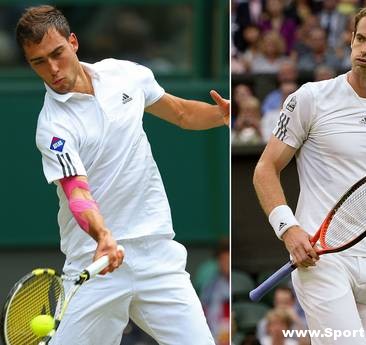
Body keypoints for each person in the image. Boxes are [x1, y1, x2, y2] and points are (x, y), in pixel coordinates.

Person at [16, 5, 229, 345]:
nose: (52, 69)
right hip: (97, 262)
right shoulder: (53, 128)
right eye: (39, 62)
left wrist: (220, 116)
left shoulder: (124, 75)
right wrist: (102, 235)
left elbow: (182, 114)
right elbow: (77, 192)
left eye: (57, 53)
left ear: (73, 42)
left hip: (156, 253)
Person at [253, 4, 366, 345]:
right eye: (360, 39)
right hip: (323, 262)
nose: (364, 50)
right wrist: (289, 229)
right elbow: (266, 168)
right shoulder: (310, 98)